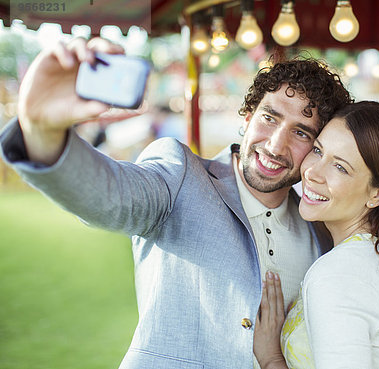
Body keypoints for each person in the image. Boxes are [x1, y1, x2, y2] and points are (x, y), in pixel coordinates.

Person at [0, 37, 352, 368]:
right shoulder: (180, 174)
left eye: (301, 132)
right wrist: (41, 131)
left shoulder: (319, 228)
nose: (276, 145)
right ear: (247, 118)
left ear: (317, 148)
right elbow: (108, 197)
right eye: (270, 117)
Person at [253, 101, 379, 369]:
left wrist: (270, 358)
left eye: (340, 167)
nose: (313, 172)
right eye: (318, 150)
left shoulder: (338, 275)